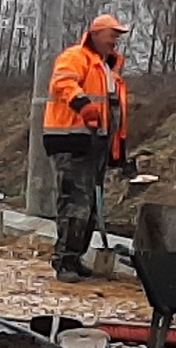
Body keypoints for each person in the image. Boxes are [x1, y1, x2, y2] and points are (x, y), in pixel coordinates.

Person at [41, 14, 129, 282]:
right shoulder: (75, 57)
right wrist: (83, 106)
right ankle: (65, 260)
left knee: (88, 204)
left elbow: (114, 111)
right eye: (112, 35)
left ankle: (75, 257)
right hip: (71, 140)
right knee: (74, 203)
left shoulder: (106, 69)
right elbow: (63, 83)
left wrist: (117, 149)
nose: (115, 41)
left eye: (117, 36)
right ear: (96, 34)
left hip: (94, 142)